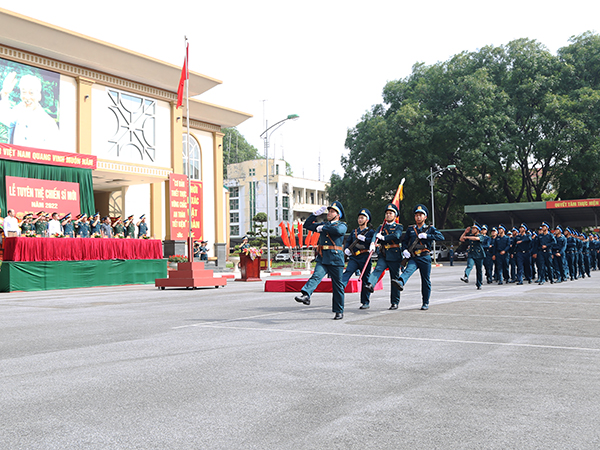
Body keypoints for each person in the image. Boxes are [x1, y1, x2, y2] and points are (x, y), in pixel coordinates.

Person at [294, 201, 347, 320]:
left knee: (337, 286)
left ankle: (339, 310)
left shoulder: (342, 225)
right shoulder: (323, 224)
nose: (329, 213)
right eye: (329, 211)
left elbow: (338, 231)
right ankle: (306, 295)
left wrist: (323, 227)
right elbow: (307, 225)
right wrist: (314, 214)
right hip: (323, 257)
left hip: (336, 259)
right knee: (316, 276)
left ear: (338, 215)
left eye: (332, 211)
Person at [391, 204, 444, 310]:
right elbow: (405, 241)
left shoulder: (430, 229)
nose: (418, 217)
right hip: (414, 256)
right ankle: (400, 282)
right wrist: (404, 250)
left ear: (425, 217)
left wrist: (427, 236)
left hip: (425, 256)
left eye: (421, 215)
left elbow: (441, 237)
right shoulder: (411, 229)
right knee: (408, 270)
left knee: (425, 280)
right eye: (416, 215)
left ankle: (425, 302)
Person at [0, 72, 60, 149]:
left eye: (31, 93)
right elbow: (3, 116)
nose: (27, 97)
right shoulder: (17, 112)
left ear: (39, 96)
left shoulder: (49, 123)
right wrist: (4, 93)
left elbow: (54, 153)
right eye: (24, 92)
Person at [363, 204, 403, 310]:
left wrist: (384, 238)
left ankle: (394, 302)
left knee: (394, 279)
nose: (388, 215)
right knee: (378, 269)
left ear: (395, 216)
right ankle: (370, 284)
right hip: (384, 254)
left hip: (394, 255)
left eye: (391, 213)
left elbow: (397, 236)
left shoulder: (398, 226)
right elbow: (375, 235)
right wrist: (372, 244)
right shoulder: (381, 227)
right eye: (387, 213)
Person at [341, 208, 375, 309]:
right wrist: (347, 249)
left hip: (365, 257)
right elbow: (348, 242)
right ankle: (340, 286)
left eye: (362, 218)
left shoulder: (370, 232)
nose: (360, 220)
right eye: (359, 218)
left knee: (365, 279)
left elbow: (373, 241)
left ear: (367, 220)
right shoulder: (354, 232)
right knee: (347, 272)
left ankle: (365, 302)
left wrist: (366, 239)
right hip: (355, 257)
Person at [459, 224, 485, 289]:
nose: (472, 230)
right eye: (472, 229)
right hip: (471, 253)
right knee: (469, 265)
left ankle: (479, 284)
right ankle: (466, 276)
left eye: (474, 229)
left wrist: (467, 237)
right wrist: (465, 233)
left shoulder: (481, 236)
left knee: (479, 270)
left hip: (479, 254)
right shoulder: (470, 236)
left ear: (478, 230)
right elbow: (461, 239)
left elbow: (476, 238)